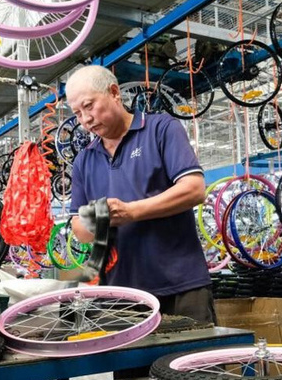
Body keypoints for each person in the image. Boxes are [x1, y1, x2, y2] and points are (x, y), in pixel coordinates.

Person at [66, 65, 216, 324]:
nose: (85, 119)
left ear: (114, 93)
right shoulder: (84, 160)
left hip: (181, 286)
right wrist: (100, 218)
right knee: (133, 365)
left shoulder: (161, 129)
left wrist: (131, 212)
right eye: (77, 113)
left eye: (89, 106)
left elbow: (193, 189)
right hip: (121, 296)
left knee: (190, 362)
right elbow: (78, 228)